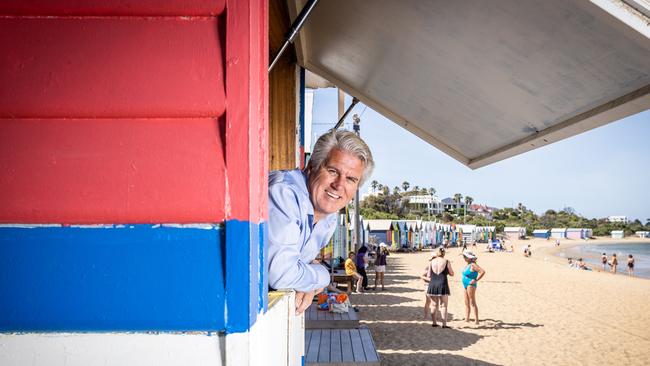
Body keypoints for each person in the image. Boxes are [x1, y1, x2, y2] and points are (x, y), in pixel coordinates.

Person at [267, 130, 374, 314]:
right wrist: (322, 276)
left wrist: (308, 282)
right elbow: (281, 274)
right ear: (311, 167)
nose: (339, 185)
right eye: (333, 171)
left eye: (350, 179)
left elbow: (299, 268)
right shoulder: (284, 194)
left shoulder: (328, 217)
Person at [425, 247, 454, 328]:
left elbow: (428, 275)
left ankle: (434, 323)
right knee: (443, 305)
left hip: (433, 283)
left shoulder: (431, 261)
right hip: (442, 283)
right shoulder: (446, 261)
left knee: (433, 304)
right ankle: (444, 324)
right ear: (444, 253)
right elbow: (452, 273)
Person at [461, 250, 485, 324]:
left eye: (465, 256)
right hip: (465, 284)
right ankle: (467, 318)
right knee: (466, 302)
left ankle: (476, 320)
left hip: (470, 285)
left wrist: (476, 280)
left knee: (472, 302)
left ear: (469, 257)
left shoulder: (473, 265)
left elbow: (482, 271)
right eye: (463, 256)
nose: (463, 258)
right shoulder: (468, 264)